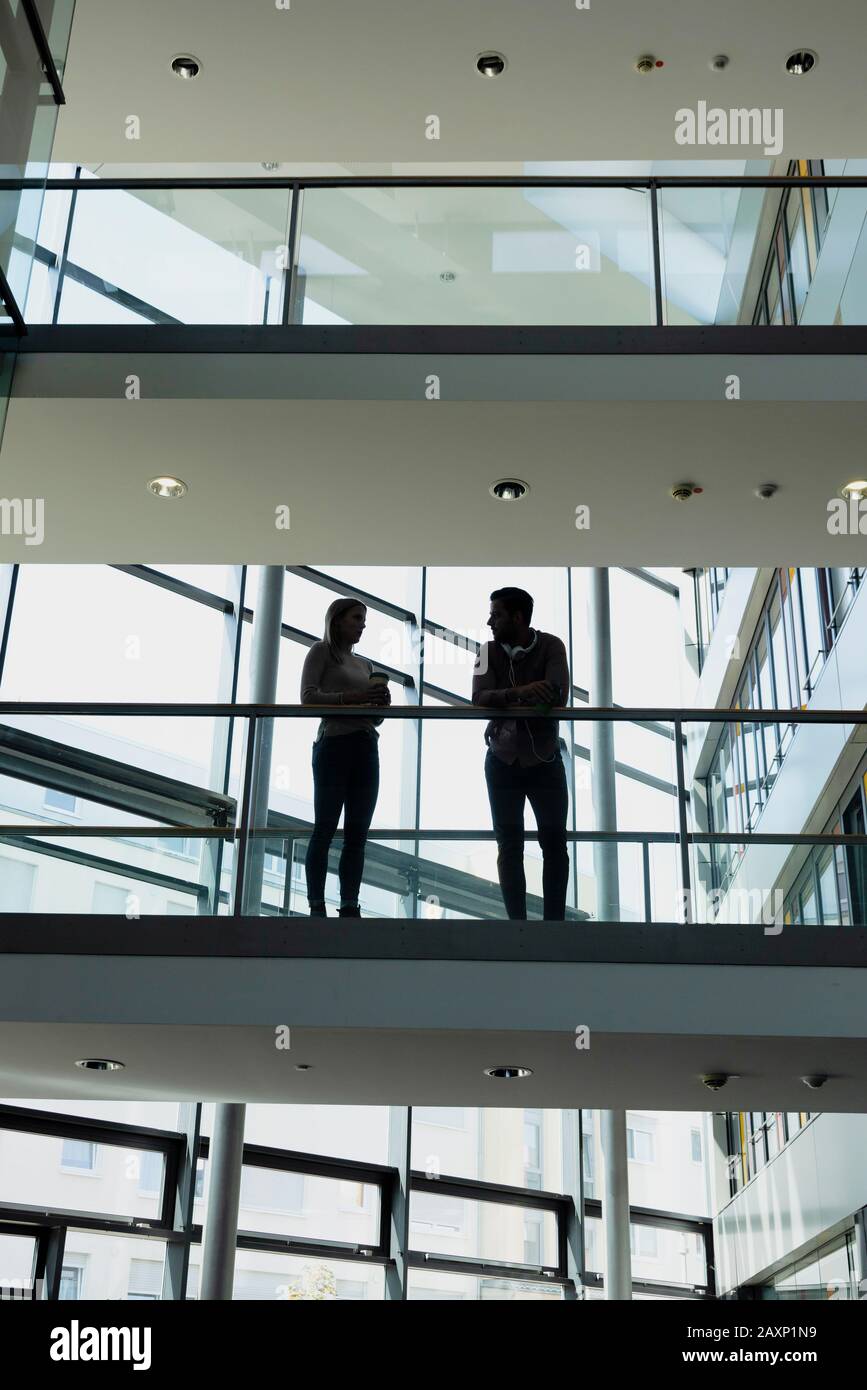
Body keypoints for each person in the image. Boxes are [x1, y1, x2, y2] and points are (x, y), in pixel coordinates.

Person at [472, 587, 570, 921]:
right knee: (509, 845)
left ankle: (553, 925)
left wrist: (505, 705)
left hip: (544, 759)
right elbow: (477, 699)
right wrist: (524, 692)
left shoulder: (552, 645)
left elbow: (556, 700)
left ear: (517, 617)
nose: (489, 621)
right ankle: (518, 926)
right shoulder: (486, 651)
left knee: (554, 843)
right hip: (502, 760)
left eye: (496, 614)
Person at [300, 597, 390, 917]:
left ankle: (349, 904)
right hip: (334, 745)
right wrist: (356, 697)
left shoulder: (364, 665)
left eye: (363, 619)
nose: (362, 624)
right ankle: (316, 904)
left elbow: (371, 718)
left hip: (366, 745)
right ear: (337, 620)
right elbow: (308, 698)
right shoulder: (321, 652)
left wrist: (379, 705)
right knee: (325, 826)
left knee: (357, 833)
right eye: (356, 618)